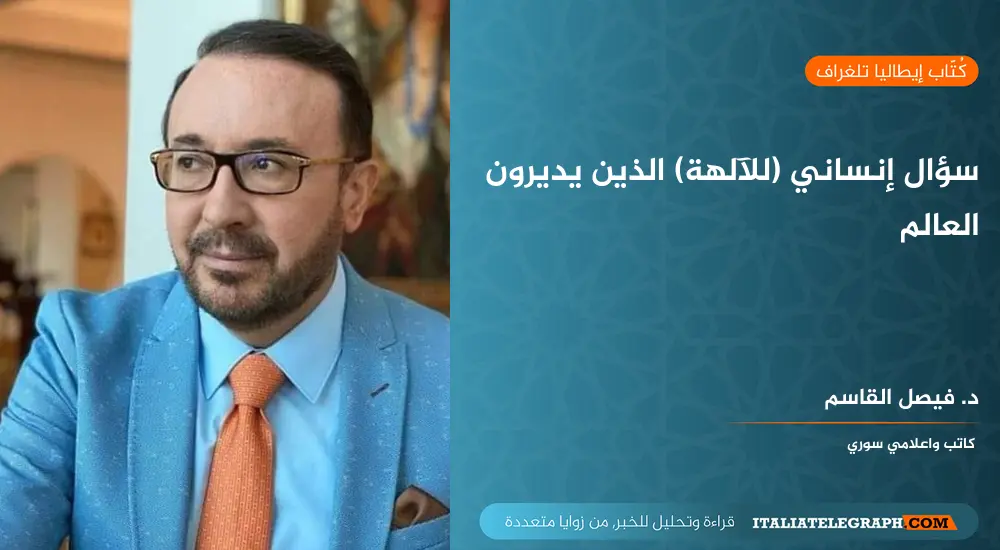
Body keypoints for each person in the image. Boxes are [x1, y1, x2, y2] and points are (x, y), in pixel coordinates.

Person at [0, 19, 449, 550]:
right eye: (191, 162)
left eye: (268, 165)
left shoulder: (460, 374)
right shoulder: (83, 351)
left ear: (354, 194)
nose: (220, 210)